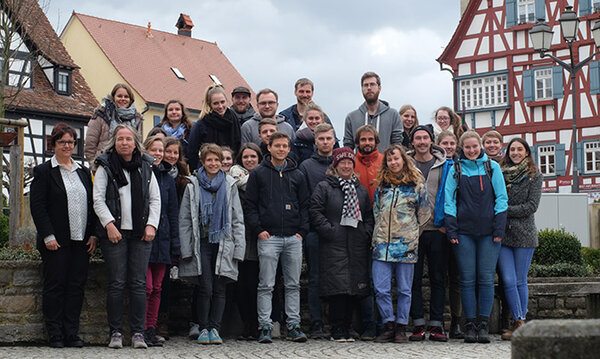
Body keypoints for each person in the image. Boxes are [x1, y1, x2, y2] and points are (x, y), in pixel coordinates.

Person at [93, 124, 161, 349]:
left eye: (128, 139)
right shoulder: (105, 165)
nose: (124, 143)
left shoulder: (145, 165)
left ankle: (138, 333)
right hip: (115, 233)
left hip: (141, 233)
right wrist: (109, 224)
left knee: (139, 284)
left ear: (135, 143)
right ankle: (116, 333)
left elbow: (155, 199)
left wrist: (151, 225)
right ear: (114, 141)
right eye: (120, 139)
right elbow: (98, 199)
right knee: (116, 283)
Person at [30, 123, 97, 348]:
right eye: (62, 142)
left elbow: (92, 204)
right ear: (53, 144)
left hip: (81, 241)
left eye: (71, 142)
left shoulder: (83, 171)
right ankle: (55, 334)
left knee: (76, 287)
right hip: (56, 241)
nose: (67, 145)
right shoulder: (44, 172)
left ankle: (71, 333)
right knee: (55, 286)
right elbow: (38, 207)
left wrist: (94, 235)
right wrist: (48, 235)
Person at [245, 132, 310, 344]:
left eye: (285, 146)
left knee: (293, 284)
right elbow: (250, 205)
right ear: (269, 147)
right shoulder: (258, 174)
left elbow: (305, 206)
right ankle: (265, 326)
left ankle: (294, 325)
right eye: (277, 146)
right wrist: (258, 229)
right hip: (268, 236)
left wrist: (302, 231)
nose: (281, 149)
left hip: (293, 237)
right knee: (266, 284)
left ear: (289, 149)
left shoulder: (298, 175)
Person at [444, 130, 508, 344]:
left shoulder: (493, 168)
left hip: (489, 234)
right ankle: (469, 325)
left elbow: (501, 198)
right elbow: (449, 201)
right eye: (468, 147)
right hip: (464, 234)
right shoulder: (456, 169)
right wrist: (452, 229)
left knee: (487, 279)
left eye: (475, 146)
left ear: (480, 146)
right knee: (467, 280)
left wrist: (499, 228)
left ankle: (483, 325)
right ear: (462, 148)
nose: (472, 150)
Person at [178, 143, 246, 345]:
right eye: (210, 160)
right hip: (202, 243)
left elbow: (237, 219)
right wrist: (186, 248)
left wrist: (239, 249)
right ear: (203, 162)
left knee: (220, 288)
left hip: (224, 242)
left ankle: (215, 328)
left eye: (217, 160)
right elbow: (185, 220)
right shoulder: (192, 184)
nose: (214, 163)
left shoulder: (230, 184)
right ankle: (203, 327)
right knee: (205, 287)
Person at [309, 147, 374, 342]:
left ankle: (348, 327)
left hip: (356, 242)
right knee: (337, 288)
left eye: (349, 163)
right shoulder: (324, 187)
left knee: (354, 287)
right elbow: (315, 211)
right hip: (333, 243)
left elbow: (369, 215)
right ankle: (337, 328)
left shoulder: (360, 189)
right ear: (335, 166)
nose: (346, 166)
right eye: (342, 163)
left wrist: (365, 232)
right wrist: (330, 230)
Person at [372, 144, 431, 343]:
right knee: (381, 288)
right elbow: (376, 211)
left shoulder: (416, 185)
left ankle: (401, 327)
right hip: (381, 245)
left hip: (406, 246)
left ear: (403, 160)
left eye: (396, 158)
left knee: (405, 289)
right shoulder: (381, 186)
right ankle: (388, 323)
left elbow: (423, 215)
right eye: (389, 160)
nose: (393, 162)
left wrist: (412, 234)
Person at [405, 125, 449, 342]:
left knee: (438, 278)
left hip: (437, 229)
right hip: (412, 231)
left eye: (425, 138)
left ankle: (437, 324)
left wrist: (445, 223)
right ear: (412, 142)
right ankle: (418, 324)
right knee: (412, 280)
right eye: (417, 138)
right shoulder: (405, 164)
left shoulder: (443, 164)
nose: (421, 141)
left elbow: (449, 194)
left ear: (431, 141)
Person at [498, 138, 542, 341]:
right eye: (512, 149)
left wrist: (503, 211)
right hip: (504, 235)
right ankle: (520, 322)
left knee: (519, 280)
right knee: (507, 279)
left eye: (519, 149)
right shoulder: (499, 172)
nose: (515, 152)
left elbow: (531, 206)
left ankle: (519, 321)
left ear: (526, 152)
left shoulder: (535, 175)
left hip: (524, 234)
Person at [298, 123, 336, 339]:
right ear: (315, 141)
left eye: (328, 138)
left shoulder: (342, 163)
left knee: (337, 278)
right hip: (313, 231)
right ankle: (316, 323)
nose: (324, 142)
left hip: (338, 232)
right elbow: (303, 200)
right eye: (321, 138)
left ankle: (338, 323)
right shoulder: (306, 166)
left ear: (333, 139)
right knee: (314, 279)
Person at [142, 136, 180, 347]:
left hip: (164, 238)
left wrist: (176, 243)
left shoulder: (166, 177)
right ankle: (141, 328)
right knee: (145, 287)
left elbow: (172, 212)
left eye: (160, 150)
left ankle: (151, 328)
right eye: (153, 150)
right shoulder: (140, 172)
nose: (157, 153)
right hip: (145, 238)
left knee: (157, 287)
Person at [228, 142, 263, 340]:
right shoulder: (233, 181)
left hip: (259, 236)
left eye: (253, 157)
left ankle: (260, 324)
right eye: (246, 157)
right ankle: (246, 324)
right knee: (241, 286)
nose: (249, 160)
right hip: (239, 239)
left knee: (258, 284)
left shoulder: (264, 179)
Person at [435, 130, 464, 339]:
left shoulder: (463, 166)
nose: (448, 146)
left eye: (452, 143)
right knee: (438, 277)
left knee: (456, 277)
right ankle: (436, 322)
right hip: (438, 227)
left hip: (458, 228)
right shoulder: (434, 165)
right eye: (445, 142)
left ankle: (456, 321)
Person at [85, 83, 143, 171]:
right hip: (105, 166)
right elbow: (90, 145)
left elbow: (139, 145)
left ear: (130, 99)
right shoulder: (101, 115)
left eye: (126, 96)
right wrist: (95, 166)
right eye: (119, 96)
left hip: (129, 168)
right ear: (113, 97)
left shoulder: (137, 119)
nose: (123, 99)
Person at [343, 71, 403, 151]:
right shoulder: (351, 117)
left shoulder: (393, 115)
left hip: (385, 162)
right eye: (365, 85)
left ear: (379, 88)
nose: (369, 88)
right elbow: (348, 147)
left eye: (372, 84)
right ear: (362, 89)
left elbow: (397, 145)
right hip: (360, 163)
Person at [187, 85, 242, 171]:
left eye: (222, 102)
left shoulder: (234, 120)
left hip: (231, 169)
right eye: (216, 103)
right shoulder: (201, 125)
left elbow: (238, 145)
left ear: (227, 101)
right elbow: (192, 153)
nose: (220, 106)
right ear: (210, 105)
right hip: (208, 171)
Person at [354, 125, 385, 202]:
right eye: (363, 140)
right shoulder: (351, 163)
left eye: (370, 139)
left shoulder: (385, 161)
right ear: (358, 142)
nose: (367, 143)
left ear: (376, 141)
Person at [163, 137, 191, 202]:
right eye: (168, 152)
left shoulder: (182, 172)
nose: (172, 156)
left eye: (175, 153)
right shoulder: (156, 172)